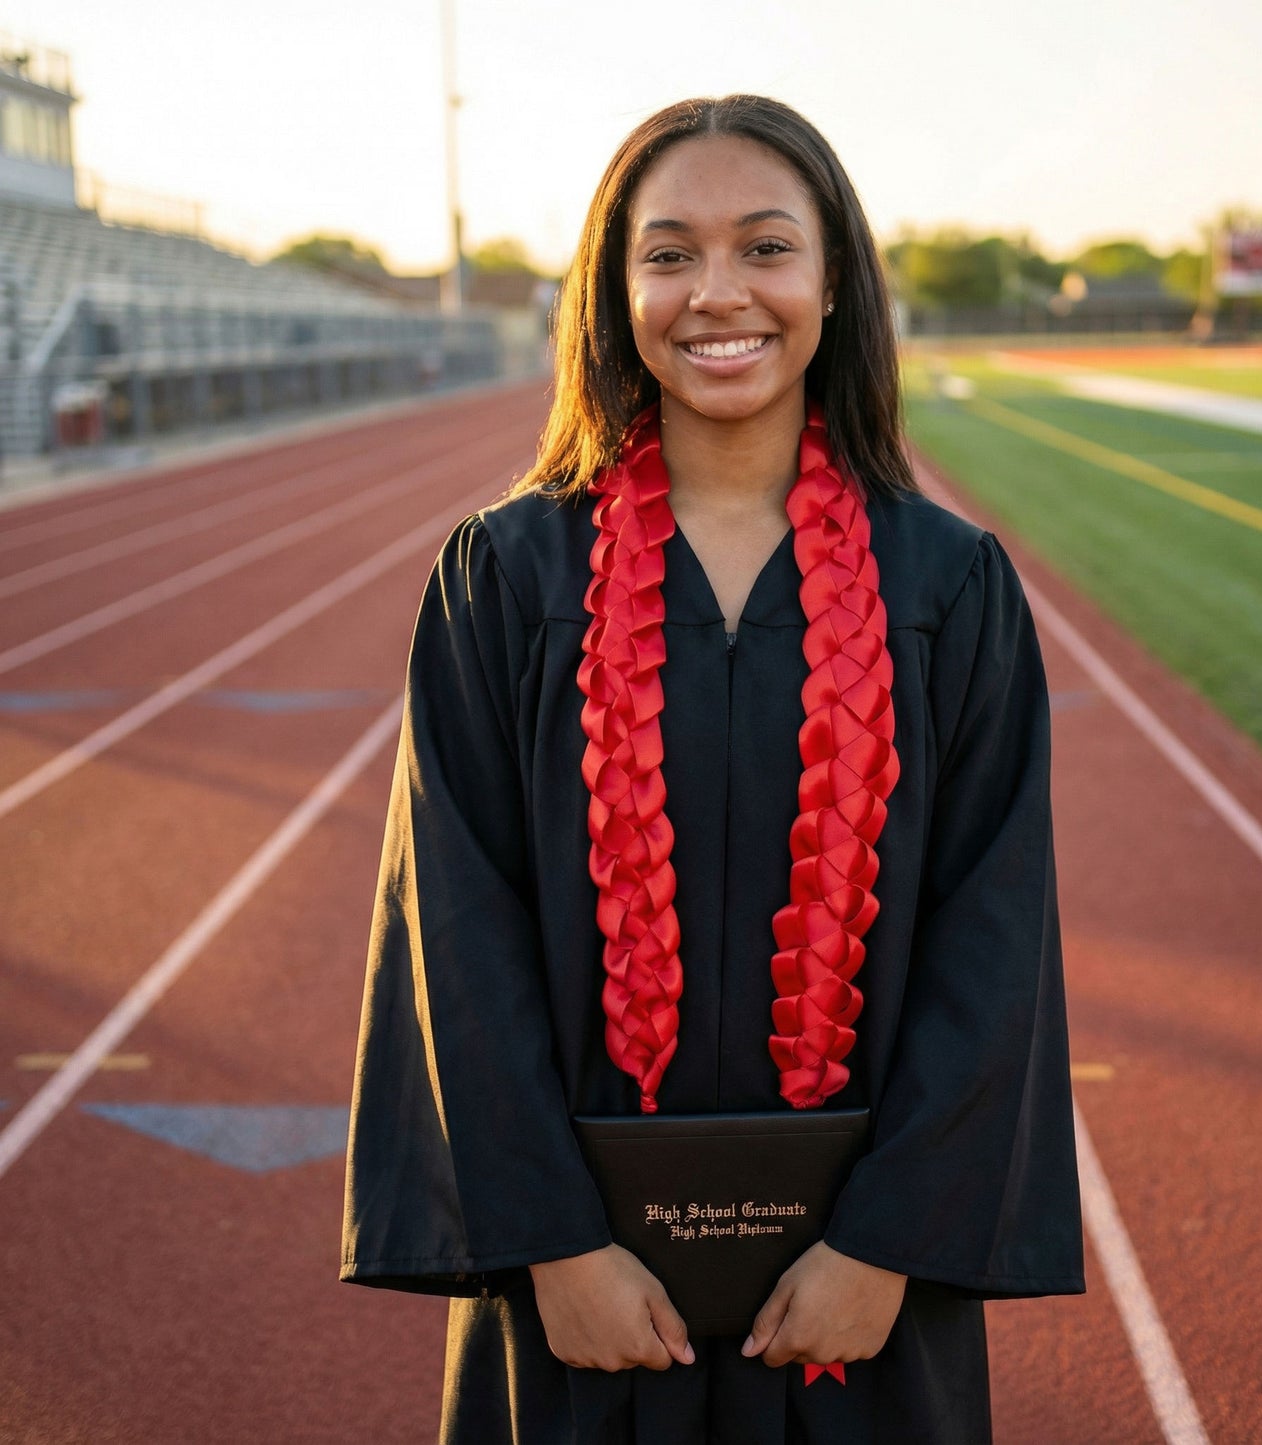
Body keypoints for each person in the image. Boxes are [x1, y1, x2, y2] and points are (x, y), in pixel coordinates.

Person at [341, 94, 1084, 1445]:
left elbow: (994, 939)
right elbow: (455, 926)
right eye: (668, 252)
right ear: (612, 289)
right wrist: (552, 1246)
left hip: (858, 1304)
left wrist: (887, 1242)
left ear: (834, 281)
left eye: (765, 248)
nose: (716, 293)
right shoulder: (507, 580)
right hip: (585, 1303)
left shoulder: (948, 587)